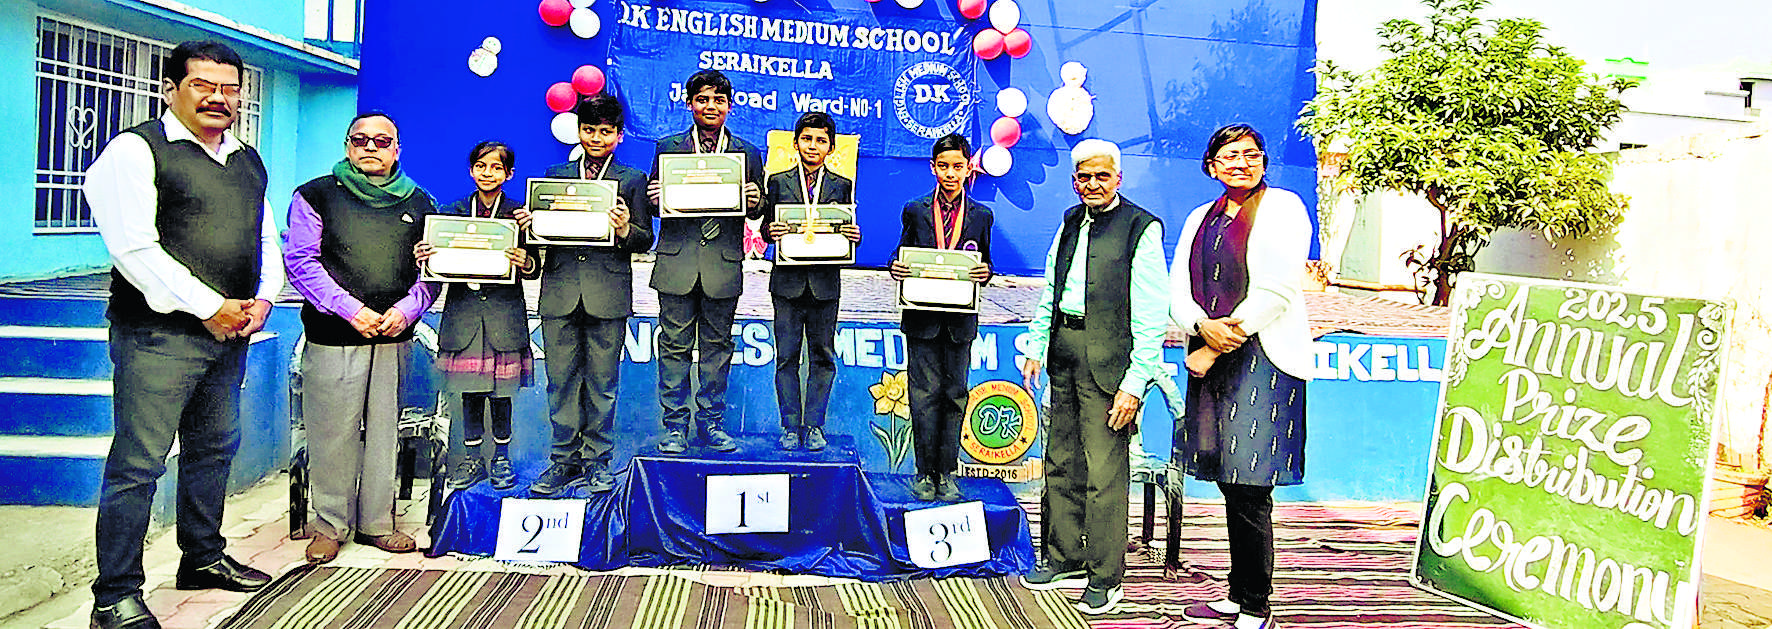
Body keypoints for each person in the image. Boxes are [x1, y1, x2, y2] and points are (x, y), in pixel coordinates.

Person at [84, 40, 277, 629]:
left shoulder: (246, 159)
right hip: (158, 337)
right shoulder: (135, 150)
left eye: (230, 88)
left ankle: (202, 557)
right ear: (171, 88)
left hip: (231, 334)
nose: (219, 98)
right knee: (138, 465)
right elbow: (134, 249)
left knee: (213, 449)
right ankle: (115, 595)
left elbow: (263, 236)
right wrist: (209, 307)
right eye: (203, 85)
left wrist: (264, 298)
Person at [1172, 124, 1313, 629]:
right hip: (1209, 352)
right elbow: (1178, 290)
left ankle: (1256, 605)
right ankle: (1237, 593)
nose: (1241, 163)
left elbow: (1276, 290)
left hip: (1262, 359)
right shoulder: (1199, 218)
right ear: (1212, 166)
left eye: (1251, 154)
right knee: (1229, 483)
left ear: (1264, 162)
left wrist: (1213, 346)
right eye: (1230, 156)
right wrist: (1199, 326)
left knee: (1251, 486)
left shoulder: (1283, 208)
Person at [1016, 140, 1165, 615]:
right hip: (1063, 351)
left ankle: (1106, 577)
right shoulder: (1069, 221)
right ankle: (1064, 558)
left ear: (1118, 178)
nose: (1093, 184)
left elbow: (1151, 315)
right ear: (1074, 181)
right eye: (1085, 177)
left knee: (1104, 473)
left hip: (1109, 363)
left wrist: (1134, 382)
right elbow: (1051, 290)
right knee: (1060, 462)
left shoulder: (1141, 228)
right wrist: (1037, 345)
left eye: (1103, 176)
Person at [285, 111, 440, 564]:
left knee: (385, 431)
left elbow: (432, 271)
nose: (371, 147)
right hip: (334, 334)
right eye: (360, 139)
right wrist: (351, 310)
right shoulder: (315, 195)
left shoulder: (421, 202)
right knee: (332, 431)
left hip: (394, 336)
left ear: (397, 149)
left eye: (382, 141)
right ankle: (330, 525)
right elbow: (300, 261)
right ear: (347, 146)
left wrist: (407, 311)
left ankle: (377, 523)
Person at [518, 94, 654, 495]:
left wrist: (625, 227)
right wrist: (529, 224)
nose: (596, 138)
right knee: (560, 381)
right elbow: (539, 237)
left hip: (607, 294)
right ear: (578, 131)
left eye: (605, 131)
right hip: (560, 291)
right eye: (589, 130)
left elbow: (644, 240)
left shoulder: (632, 179)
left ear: (619, 135)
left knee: (602, 383)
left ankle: (597, 461)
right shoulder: (555, 175)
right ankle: (563, 460)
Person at [647, 69, 765, 454]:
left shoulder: (747, 152)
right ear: (689, 104)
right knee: (673, 347)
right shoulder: (668, 147)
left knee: (717, 348)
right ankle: (674, 426)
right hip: (677, 263)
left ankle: (711, 423)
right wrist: (653, 199)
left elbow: (759, 205)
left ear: (730, 106)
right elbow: (654, 201)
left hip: (722, 265)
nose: (710, 106)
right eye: (702, 99)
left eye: (718, 100)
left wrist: (755, 201)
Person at [413, 141, 534, 492]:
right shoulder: (449, 214)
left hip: (504, 316)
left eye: (496, 168)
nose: (488, 173)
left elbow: (536, 265)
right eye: (481, 166)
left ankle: (501, 458)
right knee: (470, 392)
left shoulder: (519, 214)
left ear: (509, 174)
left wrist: (525, 261)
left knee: (501, 394)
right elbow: (434, 264)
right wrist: (425, 256)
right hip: (464, 315)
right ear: (471, 170)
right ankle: (471, 459)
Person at [888, 133, 993, 503]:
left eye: (957, 166)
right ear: (933, 167)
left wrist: (986, 273)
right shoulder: (915, 210)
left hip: (960, 321)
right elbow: (899, 253)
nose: (950, 173)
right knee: (923, 395)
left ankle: (946, 472)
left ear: (968, 169)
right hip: (922, 318)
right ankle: (923, 472)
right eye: (944, 166)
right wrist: (895, 266)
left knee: (954, 395)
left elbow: (985, 262)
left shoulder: (981, 215)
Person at [760, 111, 861, 451]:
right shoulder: (777, 181)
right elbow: (766, 227)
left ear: (831, 147)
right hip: (787, 284)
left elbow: (846, 229)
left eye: (821, 140)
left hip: (824, 285)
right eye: (807, 139)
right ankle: (790, 426)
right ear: (795, 143)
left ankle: (815, 425)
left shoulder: (841, 184)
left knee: (822, 357)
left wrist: (854, 236)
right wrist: (770, 231)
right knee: (786, 357)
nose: (813, 146)